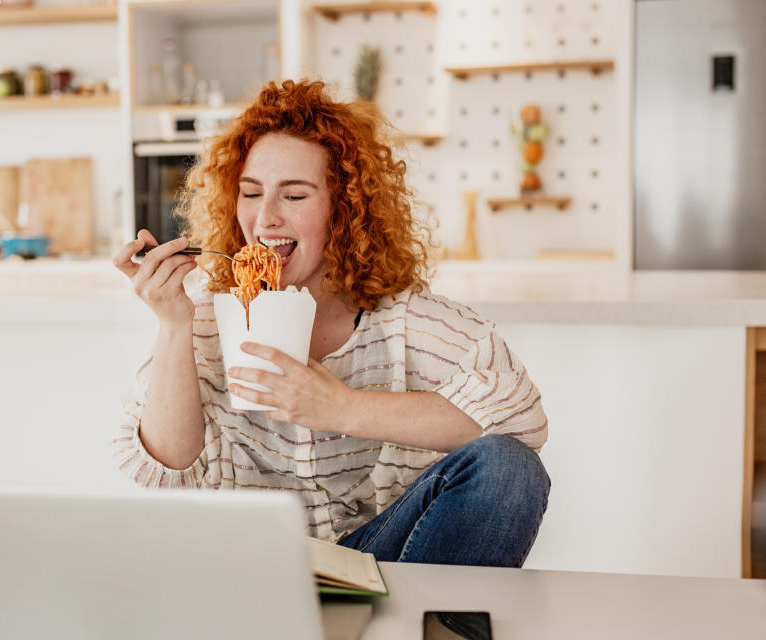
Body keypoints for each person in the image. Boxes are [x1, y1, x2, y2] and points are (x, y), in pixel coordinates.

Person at [112, 79, 550, 568]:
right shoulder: (203, 313)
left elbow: (522, 419)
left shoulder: (407, 322)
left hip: (376, 564)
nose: (265, 219)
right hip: (244, 567)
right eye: (251, 193)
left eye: (294, 196)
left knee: (510, 469)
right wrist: (174, 326)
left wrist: (340, 407)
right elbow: (163, 472)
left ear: (344, 208)